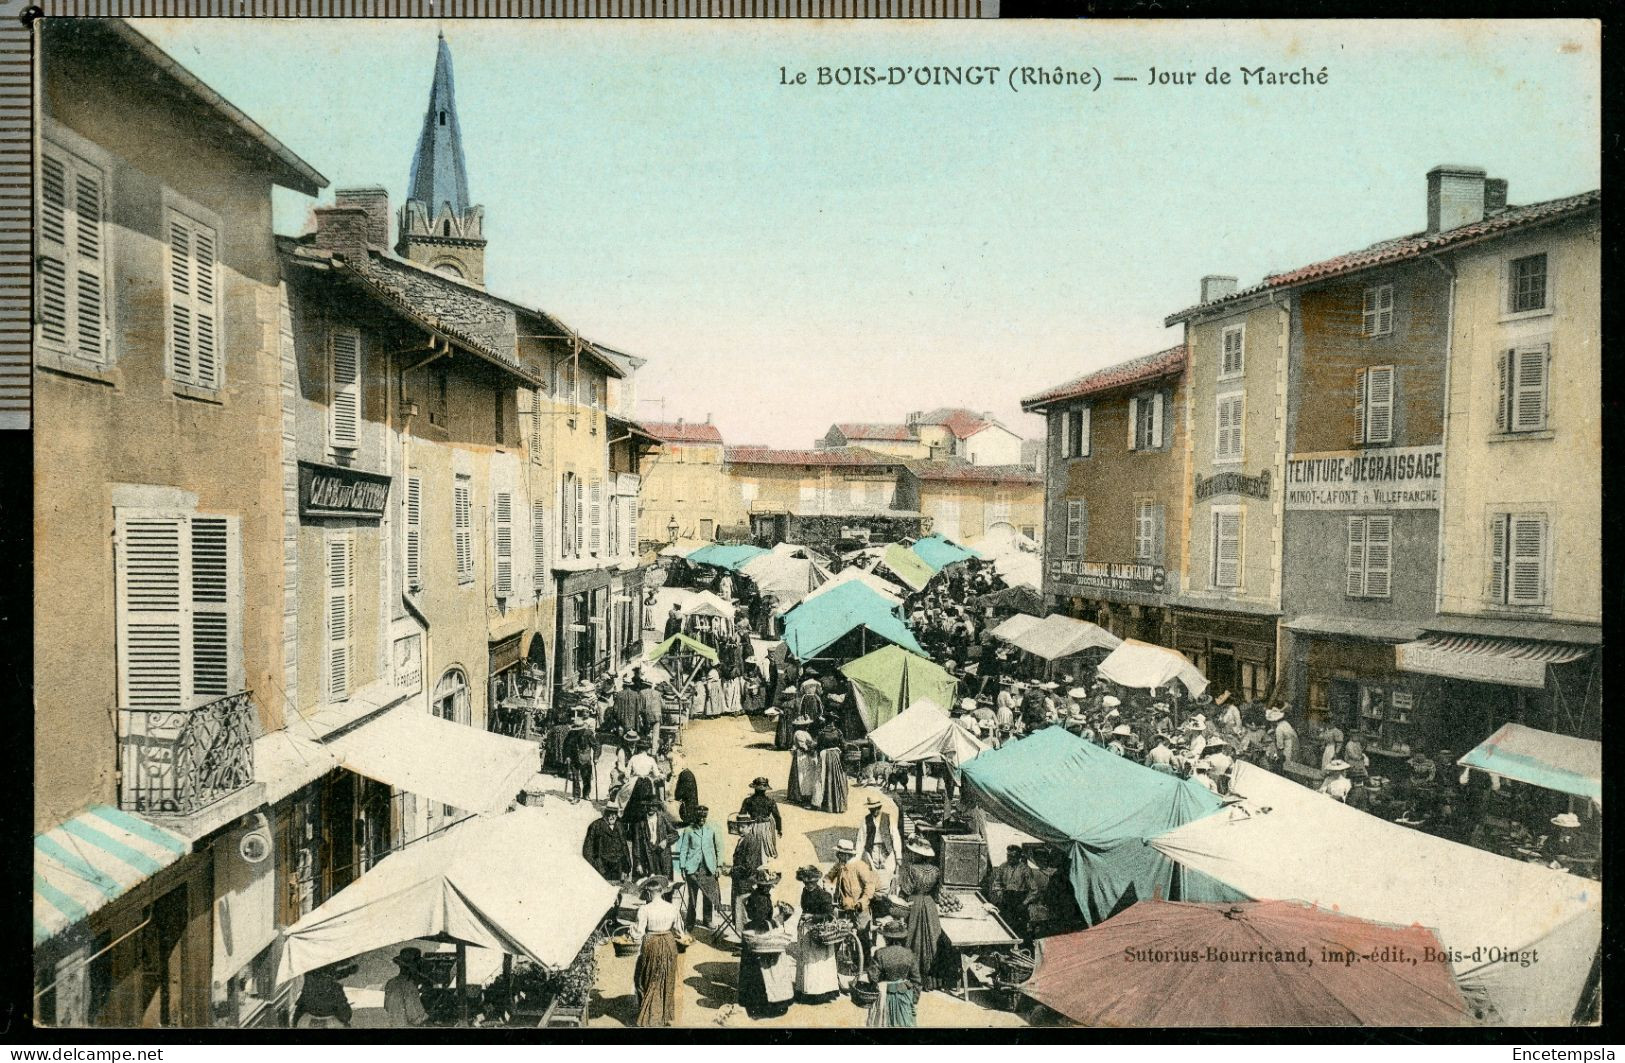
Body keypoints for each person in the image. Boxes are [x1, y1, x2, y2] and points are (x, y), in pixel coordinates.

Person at [630, 876, 686, 1027]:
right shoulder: (672, 908)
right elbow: (680, 931)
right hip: (669, 943)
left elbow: (638, 932)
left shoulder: (645, 909)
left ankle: (650, 1016)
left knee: (647, 977)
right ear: (661, 892)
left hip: (651, 943)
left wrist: (631, 932)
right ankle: (663, 1016)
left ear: (648, 894)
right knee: (666, 977)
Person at [894, 835, 947, 991]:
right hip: (929, 905)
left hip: (915, 904)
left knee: (914, 939)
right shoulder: (936, 871)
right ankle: (932, 981)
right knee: (931, 939)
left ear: (919, 854)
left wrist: (899, 901)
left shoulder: (911, 869)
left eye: (914, 853)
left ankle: (914, 977)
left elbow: (905, 891)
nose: (912, 855)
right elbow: (938, 894)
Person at [737, 890, 798, 1019]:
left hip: (759, 932)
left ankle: (757, 1003)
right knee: (766, 973)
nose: (770, 886)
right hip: (760, 936)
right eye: (768, 884)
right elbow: (761, 921)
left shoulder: (759, 896)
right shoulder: (760, 899)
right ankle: (765, 1006)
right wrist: (778, 919)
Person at [793, 866, 841, 1005]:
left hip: (819, 931)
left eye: (811, 882)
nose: (808, 885)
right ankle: (806, 989)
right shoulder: (805, 892)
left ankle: (820, 992)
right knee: (807, 960)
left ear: (816, 881)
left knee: (818, 962)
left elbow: (829, 915)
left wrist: (813, 917)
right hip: (806, 930)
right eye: (805, 882)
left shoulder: (824, 895)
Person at [825, 839, 878, 966]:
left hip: (860, 907)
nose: (838, 856)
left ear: (847, 854)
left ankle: (864, 965)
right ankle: (840, 962)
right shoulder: (840, 865)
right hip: (844, 906)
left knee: (862, 935)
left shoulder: (859, 866)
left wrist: (863, 901)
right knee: (840, 932)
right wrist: (828, 887)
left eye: (840, 853)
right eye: (838, 854)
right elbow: (828, 877)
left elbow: (870, 885)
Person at [673, 806, 725, 930]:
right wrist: (682, 866)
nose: (702, 819)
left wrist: (719, 866)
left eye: (704, 817)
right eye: (699, 817)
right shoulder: (689, 830)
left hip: (708, 868)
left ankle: (708, 920)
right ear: (695, 817)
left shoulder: (711, 829)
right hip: (692, 869)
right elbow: (684, 849)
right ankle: (690, 921)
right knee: (692, 897)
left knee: (708, 896)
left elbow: (719, 848)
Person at [864, 919, 920, 1028]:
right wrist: (913, 1000)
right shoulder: (909, 954)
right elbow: (917, 980)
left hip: (885, 996)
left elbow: (873, 977)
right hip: (905, 995)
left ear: (886, 937)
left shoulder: (880, 953)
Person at [982, 845, 1038, 941]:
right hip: (1006, 899)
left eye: (1013, 856)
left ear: (1019, 857)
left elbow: (1034, 890)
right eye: (1008, 856)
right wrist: (1000, 894)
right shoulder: (1003, 866)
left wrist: (1024, 903)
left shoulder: (1025, 869)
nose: (1010, 859)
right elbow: (996, 882)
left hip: (1019, 900)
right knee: (1003, 926)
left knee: (1019, 929)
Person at [625, 791, 679, 880]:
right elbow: (636, 845)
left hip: (663, 858)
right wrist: (638, 863)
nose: (651, 808)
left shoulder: (663, 819)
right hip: (647, 858)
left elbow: (675, 834)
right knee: (649, 884)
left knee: (665, 884)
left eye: (653, 806)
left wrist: (666, 841)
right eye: (648, 806)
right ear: (645, 806)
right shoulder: (639, 823)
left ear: (657, 807)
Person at [859, 797, 901, 894]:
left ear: (880, 807)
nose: (874, 811)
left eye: (876, 808)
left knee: (888, 872)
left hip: (886, 849)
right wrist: (858, 856)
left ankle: (887, 894)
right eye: (872, 809)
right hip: (871, 849)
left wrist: (898, 856)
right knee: (872, 873)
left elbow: (895, 837)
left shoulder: (888, 818)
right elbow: (861, 839)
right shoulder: (866, 820)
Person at [293, 962, 355, 1028]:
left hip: (307, 1022)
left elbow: (298, 1012)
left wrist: (348, 971)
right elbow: (345, 1015)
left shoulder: (309, 982)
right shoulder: (335, 988)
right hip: (329, 1023)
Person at [382, 948, 428, 1028]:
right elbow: (416, 1017)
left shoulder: (390, 983)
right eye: (419, 966)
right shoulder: (409, 986)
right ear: (414, 967)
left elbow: (386, 1007)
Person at [739, 776, 783, 859]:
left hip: (752, 827)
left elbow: (742, 816)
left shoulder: (748, 801)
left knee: (751, 850)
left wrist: (742, 829)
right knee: (766, 849)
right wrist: (779, 829)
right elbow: (777, 817)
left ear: (754, 788)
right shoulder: (770, 801)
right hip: (766, 828)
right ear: (765, 789)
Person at [583, 805, 630, 883]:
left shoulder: (619, 825)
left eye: (615, 813)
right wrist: (596, 867)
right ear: (605, 813)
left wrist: (626, 867)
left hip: (618, 867)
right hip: (602, 867)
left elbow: (624, 846)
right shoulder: (595, 825)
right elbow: (587, 850)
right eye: (609, 813)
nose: (612, 816)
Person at [814, 718, 849, 814]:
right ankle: (839, 805)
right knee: (838, 779)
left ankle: (826, 804)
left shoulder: (822, 733)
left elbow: (818, 747)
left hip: (824, 756)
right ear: (833, 722)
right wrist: (842, 754)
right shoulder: (838, 732)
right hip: (835, 756)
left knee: (824, 779)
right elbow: (845, 746)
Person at [562, 710, 597, 801]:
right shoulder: (571, 734)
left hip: (585, 758)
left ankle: (586, 794)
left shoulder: (588, 734)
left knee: (586, 778)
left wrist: (596, 757)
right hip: (574, 758)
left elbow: (597, 746)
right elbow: (566, 746)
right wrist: (567, 756)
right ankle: (576, 796)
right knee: (575, 777)